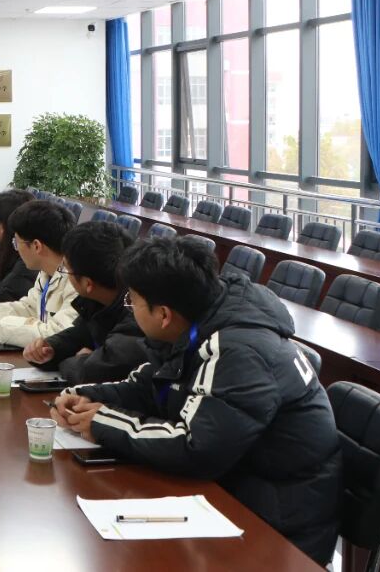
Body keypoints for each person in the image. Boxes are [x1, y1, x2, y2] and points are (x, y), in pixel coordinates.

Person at [51, 237, 342, 564]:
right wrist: (86, 395)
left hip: (277, 526)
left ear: (163, 314)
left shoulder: (239, 352)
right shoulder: (196, 323)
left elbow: (196, 446)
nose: (129, 308)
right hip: (233, 490)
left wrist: (102, 421)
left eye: (133, 301)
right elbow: (152, 387)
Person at [23, 220, 145, 384]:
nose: (65, 274)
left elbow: (92, 371)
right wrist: (49, 348)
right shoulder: (98, 300)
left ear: (88, 284)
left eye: (66, 269)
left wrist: (78, 361)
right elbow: (79, 335)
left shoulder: (137, 311)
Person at [0, 200, 78, 347]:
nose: (16, 249)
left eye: (16, 243)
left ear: (36, 246)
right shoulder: (47, 271)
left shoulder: (77, 280)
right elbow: (29, 307)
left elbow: (56, 333)